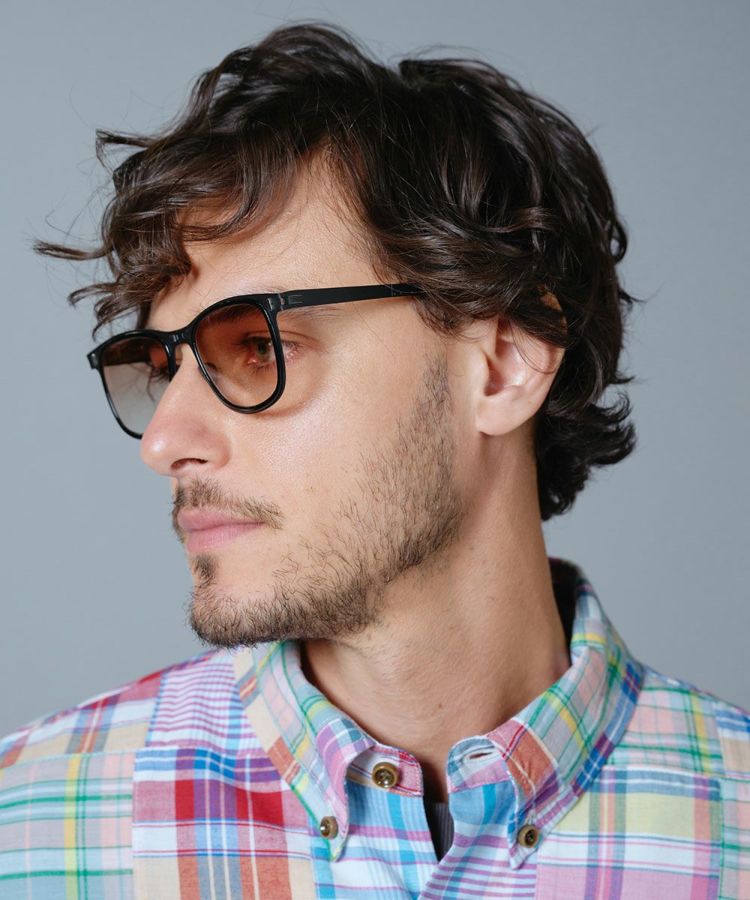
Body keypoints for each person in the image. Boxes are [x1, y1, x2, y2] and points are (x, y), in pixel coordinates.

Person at [1, 20, 747, 899]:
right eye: (163, 369)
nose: (166, 442)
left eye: (258, 347)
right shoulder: (30, 830)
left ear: (503, 364)